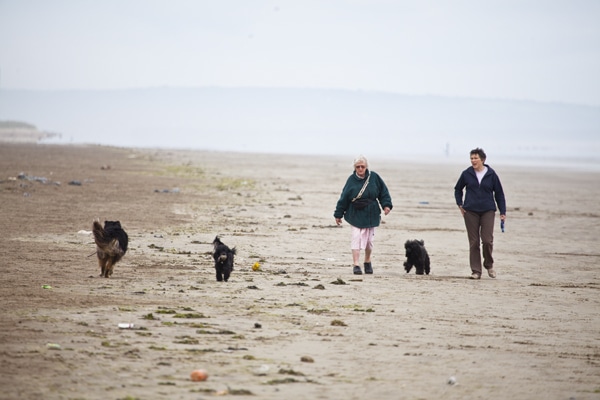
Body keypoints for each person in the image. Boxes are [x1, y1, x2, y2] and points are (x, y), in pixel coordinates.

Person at [334, 155, 393, 275]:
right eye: (358, 167)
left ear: (366, 167)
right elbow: (344, 198)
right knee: (356, 237)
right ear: (354, 168)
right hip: (355, 213)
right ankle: (356, 264)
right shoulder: (351, 180)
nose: (360, 169)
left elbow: (383, 192)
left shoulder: (374, 177)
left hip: (371, 212)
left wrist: (386, 205)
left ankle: (367, 261)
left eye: (363, 166)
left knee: (369, 241)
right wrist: (338, 214)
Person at [454, 148, 506, 279]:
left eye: (475, 158)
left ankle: (489, 264)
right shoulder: (466, 173)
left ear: (482, 159)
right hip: (470, 211)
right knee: (474, 242)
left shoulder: (491, 174)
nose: (473, 160)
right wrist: (460, 204)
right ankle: (476, 271)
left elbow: (499, 193)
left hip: (488, 210)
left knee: (487, 240)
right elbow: (458, 189)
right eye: (471, 158)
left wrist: (502, 211)